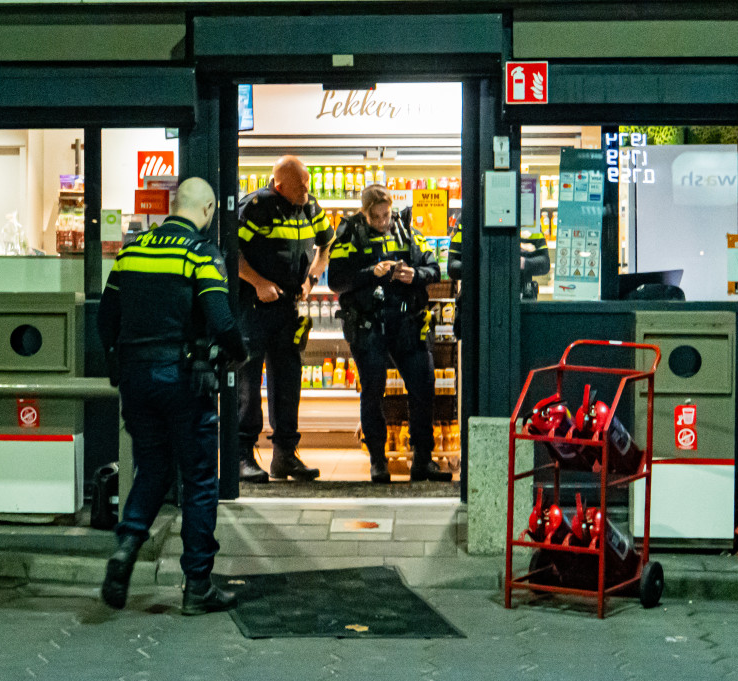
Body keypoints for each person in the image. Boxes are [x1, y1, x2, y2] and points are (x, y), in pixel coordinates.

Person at [97, 177, 248, 616]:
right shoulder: (199, 253)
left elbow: (107, 317)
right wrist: (238, 355)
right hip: (183, 378)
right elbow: (220, 321)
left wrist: (116, 368)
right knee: (200, 480)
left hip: (136, 378)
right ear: (207, 211)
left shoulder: (133, 250)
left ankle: (126, 546)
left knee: (153, 466)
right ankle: (197, 586)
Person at [328, 185, 451, 483]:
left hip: (408, 322)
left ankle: (423, 460)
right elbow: (336, 281)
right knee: (373, 392)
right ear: (364, 212)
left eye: (387, 215)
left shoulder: (407, 231)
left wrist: (416, 275)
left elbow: (434, 268)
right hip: (368, 323)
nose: (384, 221)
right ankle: (378, 461)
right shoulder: (348, 236)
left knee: (423, 388)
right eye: (377, 217)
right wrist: (372, 272)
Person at [236, 156, 335, 483]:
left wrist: (312, 278)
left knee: (288, 381)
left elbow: (327, 242)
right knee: (248, 383)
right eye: (300, 186)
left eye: (307, 183)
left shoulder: (310, 206)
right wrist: (258, 283)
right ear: (278, 186)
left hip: (289, 308)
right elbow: (230, 253)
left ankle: (285, 457)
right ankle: (242, 456)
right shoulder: (255, 207)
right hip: (253, 307)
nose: (306, 190)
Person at [448, 218, 550, 338]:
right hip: (478, 309)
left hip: (517, 305)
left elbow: (544, 263)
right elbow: (452, 267)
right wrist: (480, 265)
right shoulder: (469, 216)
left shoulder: (528, 217)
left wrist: (523, 263)